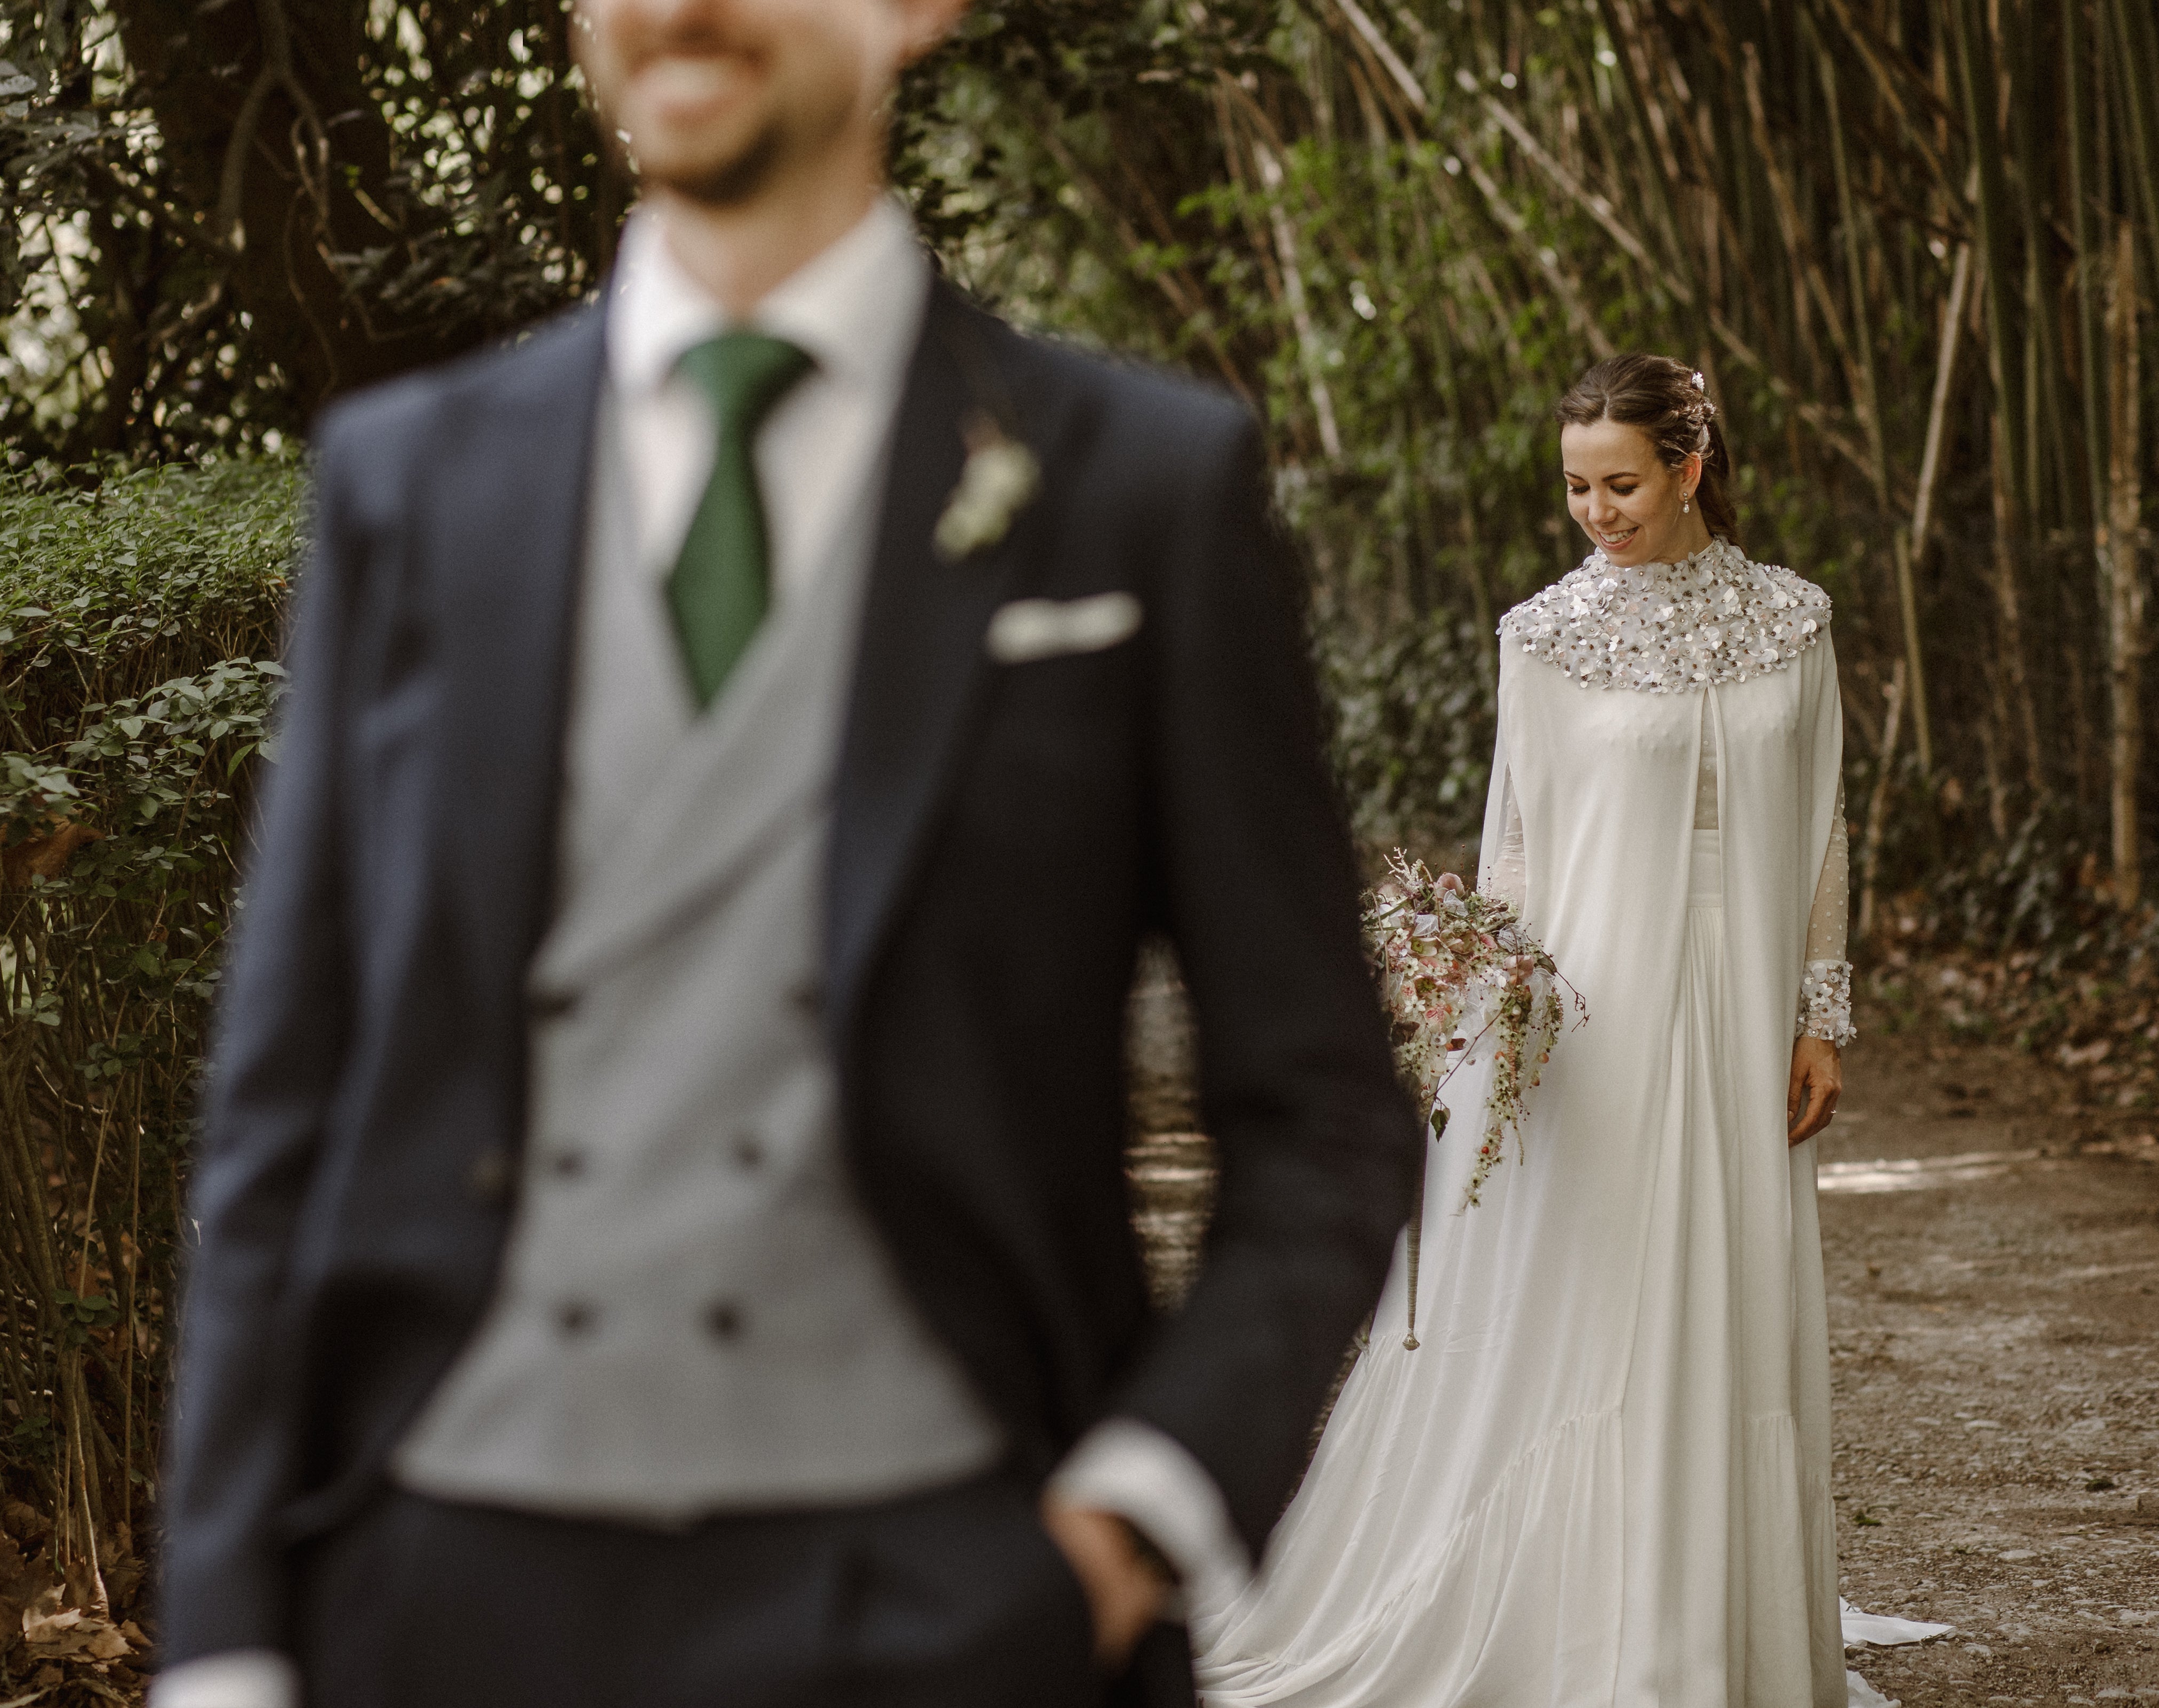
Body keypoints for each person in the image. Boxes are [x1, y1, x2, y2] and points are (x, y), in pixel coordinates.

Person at [150, 2, 1415, 1704]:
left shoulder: (1139, 486)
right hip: (444, 1586)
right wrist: (223, 1634)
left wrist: (1133, 1514)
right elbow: (279, 1105)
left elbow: (1322, 1111)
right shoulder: (411, 483)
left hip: (939, 1587)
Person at [1194, 352, 1857, 1706]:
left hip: (1741, 1014)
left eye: (1620, 482)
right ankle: (1596, 1629)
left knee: (1730, 1283)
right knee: (1601, 1292)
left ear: (1689, 466)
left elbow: (1826, 823)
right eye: (1574, 487)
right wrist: (1485, 1005)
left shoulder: (1794, 618)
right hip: (1600, 1010)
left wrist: (1819, 1011)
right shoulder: (1541, 634)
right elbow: (1515, 840)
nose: (1595, 511)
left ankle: (1722, 1630)